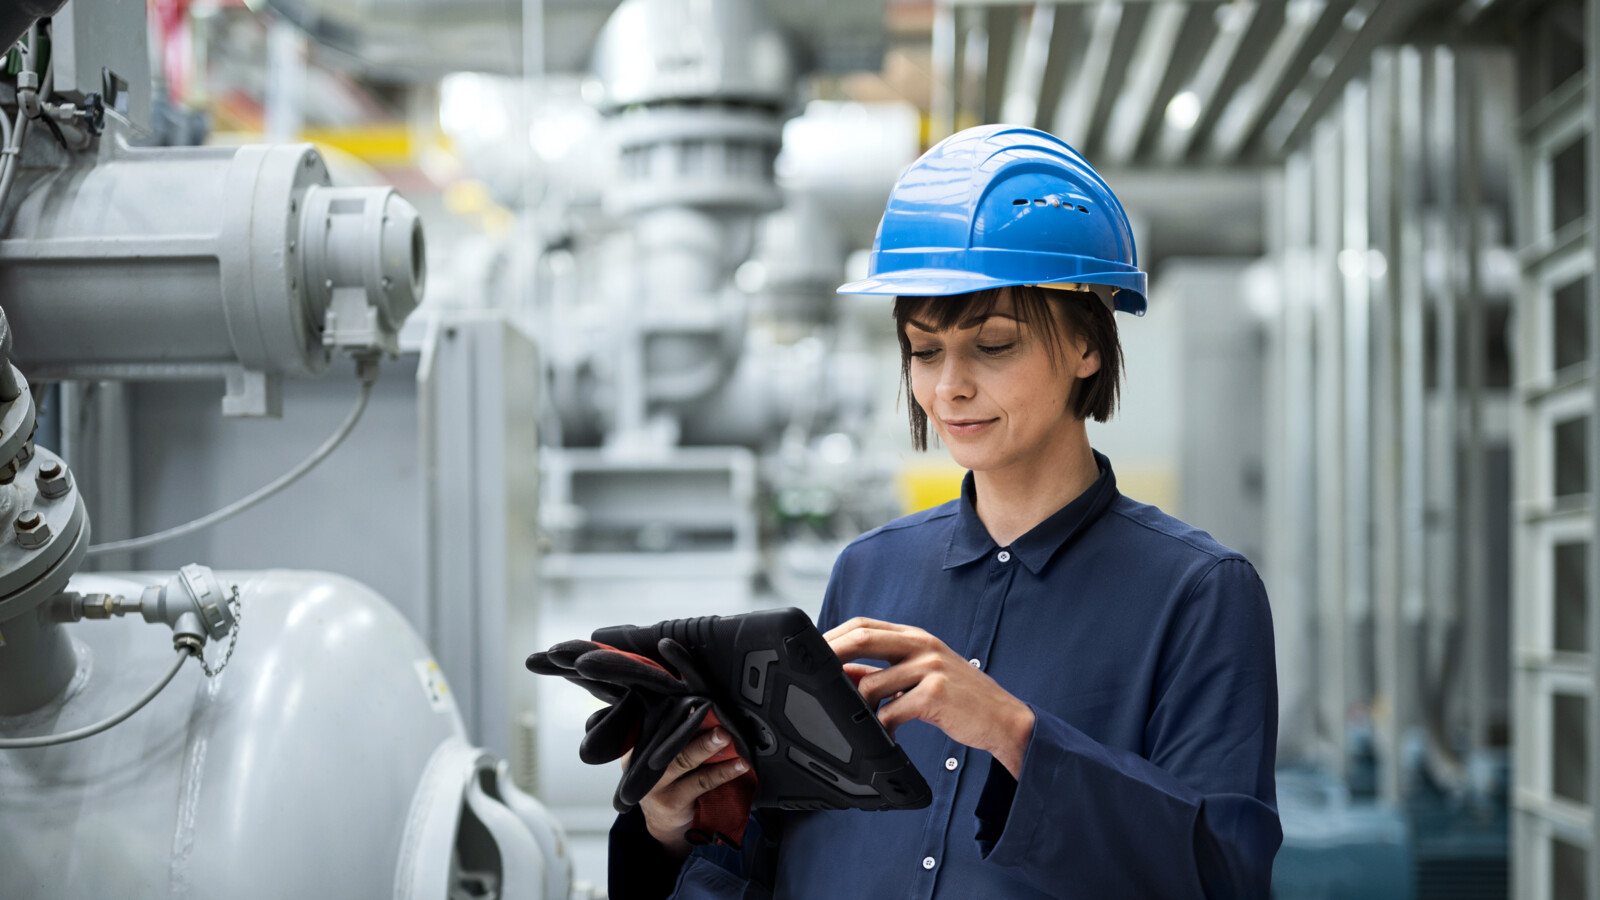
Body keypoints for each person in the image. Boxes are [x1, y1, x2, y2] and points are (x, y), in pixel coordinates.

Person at [607, 124, 1282, 898]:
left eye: (992, 345)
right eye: (925, 352)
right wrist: (679, 822)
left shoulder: (1197, 594)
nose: (948, 387)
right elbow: (784, 850)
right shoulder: (871, 570)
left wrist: (1015, 734)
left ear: (1088, 347)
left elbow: (1225, 875)